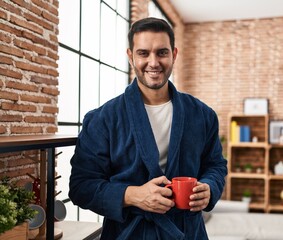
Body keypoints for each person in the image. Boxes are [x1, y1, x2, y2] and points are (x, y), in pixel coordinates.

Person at [69, 17, 227, 240]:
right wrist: (132, 195)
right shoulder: (103, 119)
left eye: (162, 52)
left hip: (187, 232)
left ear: (174, 54)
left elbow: (215, 165)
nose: (153, 62)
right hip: (128, 233)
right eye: (143, 53)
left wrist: (209, 188)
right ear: (130, 55)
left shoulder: (202, 115)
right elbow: (81, 186)